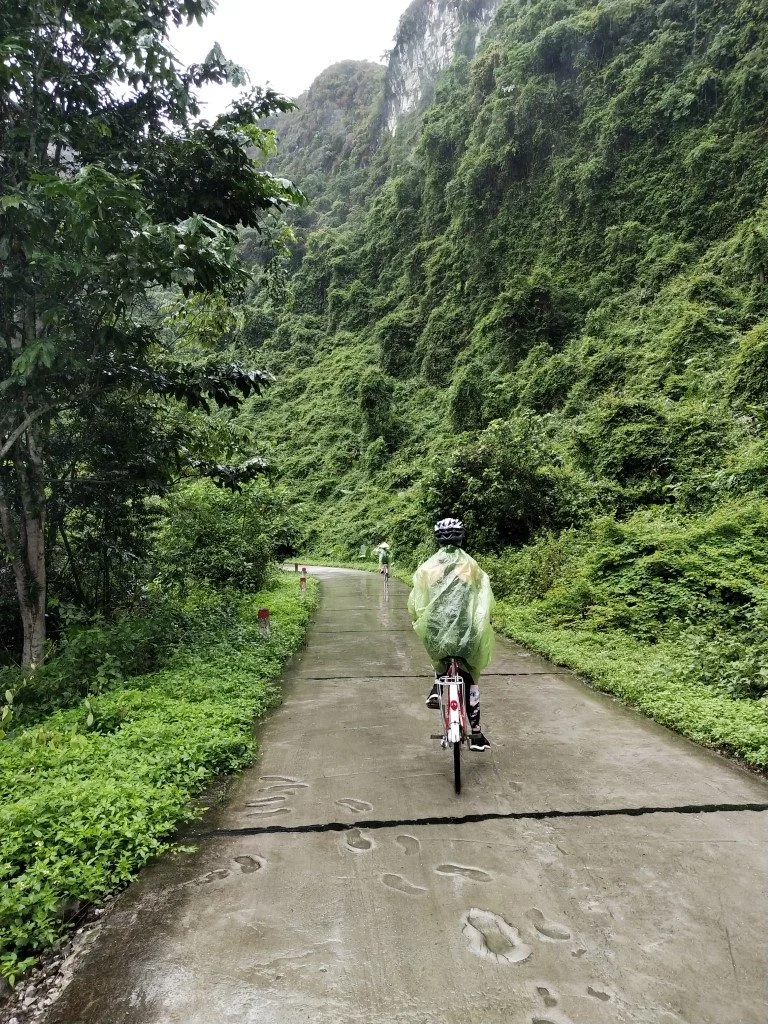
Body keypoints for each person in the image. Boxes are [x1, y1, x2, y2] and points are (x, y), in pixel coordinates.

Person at [407, 518, 494, 751]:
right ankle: (476, 734)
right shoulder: (471, 566)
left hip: (437, 628)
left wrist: (420, 620)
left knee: (441, 656)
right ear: (461, 537)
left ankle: (437, 688)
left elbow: (417, 602)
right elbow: (482, 599)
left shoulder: (427, 568)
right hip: (466, 629)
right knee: (470, 676)